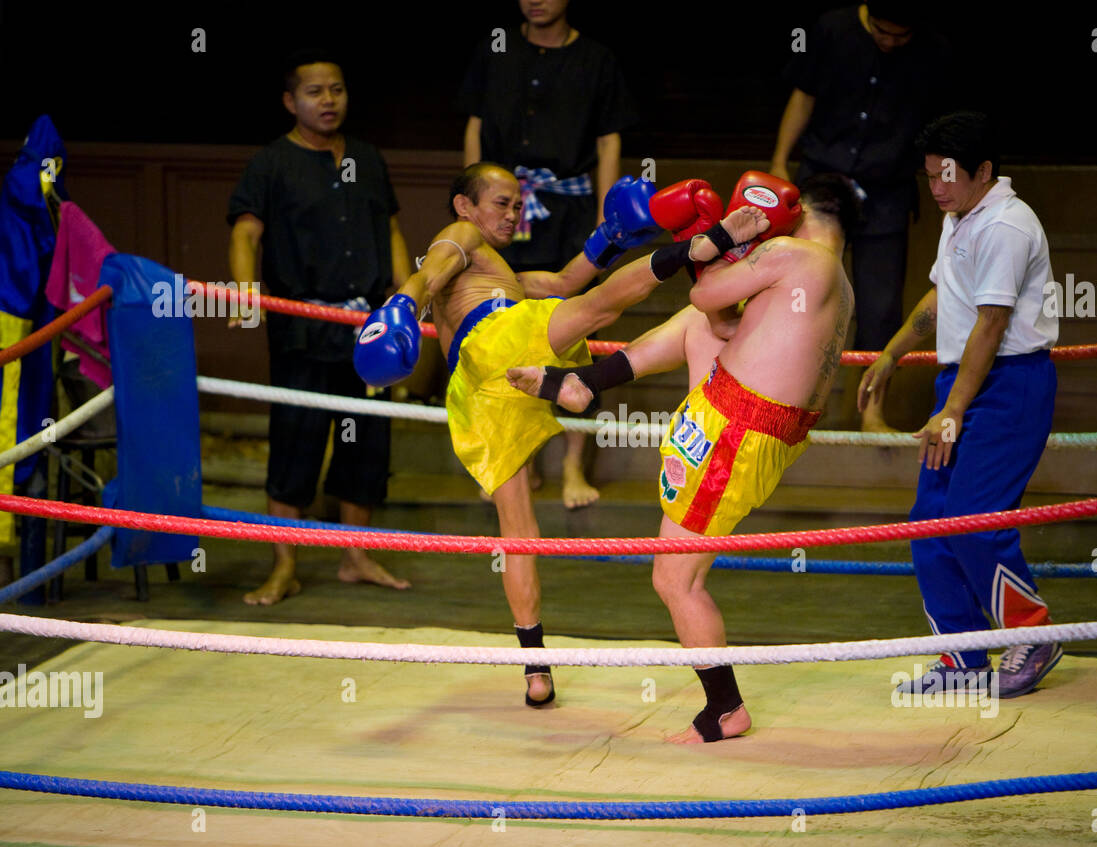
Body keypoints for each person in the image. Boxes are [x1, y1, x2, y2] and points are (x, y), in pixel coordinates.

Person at [353, 163, 770, 707]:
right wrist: (402, 305)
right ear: (464, 206)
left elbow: (568, 279)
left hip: (481, 393)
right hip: (498, 342)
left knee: (518, 531)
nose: (513, 213)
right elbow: (429, 275)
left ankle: (535, 667)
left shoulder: (503, 272)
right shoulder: (459, 237)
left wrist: (610, 237)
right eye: (501, 203)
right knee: (598, 309)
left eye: (516, 204)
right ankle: (704, 246)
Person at [508, 172, 850, 741]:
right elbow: (716, 321)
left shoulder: (793, 253)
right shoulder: (832, 281)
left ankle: (725, 708)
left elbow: (704, 294)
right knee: (697, 327)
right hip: (751, 425)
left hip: (737, 428)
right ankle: (586, 383)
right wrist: (712, 246)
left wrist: (709, 240)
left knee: (674, 577)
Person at [860, 112, 1061, 699]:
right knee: (929, 523)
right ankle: (963, 657)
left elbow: (992, 324)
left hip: (1009, 385)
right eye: (929, 177)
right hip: (963, 383)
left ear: (984, 172)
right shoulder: (960, 217)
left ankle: (1035, 633)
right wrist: (892, 354)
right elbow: (942, 296)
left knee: (974, 520)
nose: (938, 187)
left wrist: (952, 409)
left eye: (947, 175)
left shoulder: (1007, 225)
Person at [228, 50, 412, 606]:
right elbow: (245, 234)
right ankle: (284, 565)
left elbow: (391, 228)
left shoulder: (367, 158)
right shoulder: (270, 164)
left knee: (368, 441)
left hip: (368, 326)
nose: (328, 100)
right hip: (302, 325)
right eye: (314, 92)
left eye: (336, 89)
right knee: (295, 444)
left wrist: (407, 298)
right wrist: (244, 290)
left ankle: (355, 556)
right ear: (290, 101)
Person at [457, 0, 638, 509]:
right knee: (504, 330)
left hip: (571, 212)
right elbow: (474, 127)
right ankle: (520, 458)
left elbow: (609, 142)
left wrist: (610, 222)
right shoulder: (495, 48)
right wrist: (475, 207)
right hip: (502, 210)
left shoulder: (597, 58)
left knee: (576, 330)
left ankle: (573, 467)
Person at [770, 2, 949, 431]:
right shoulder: (832, 28)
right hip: (822, 182)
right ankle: (790, 404)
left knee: (880, 309)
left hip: (887, 189)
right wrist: (779, 161)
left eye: (900, 37)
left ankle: (871, 412)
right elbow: (804, 96)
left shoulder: (933, 51)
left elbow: (940, 126)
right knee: (803, 297)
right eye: (882, 33)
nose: (889, 42)